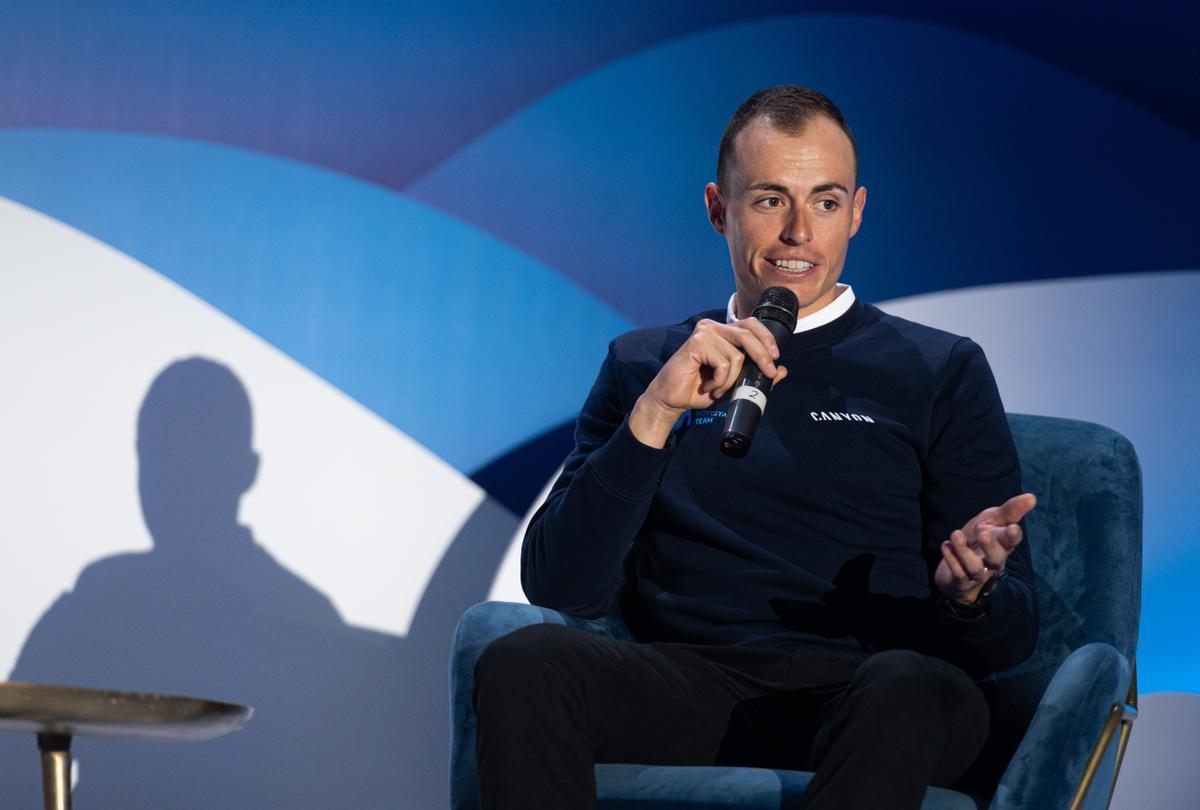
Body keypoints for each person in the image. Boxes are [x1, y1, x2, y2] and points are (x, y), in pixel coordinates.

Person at [473, 85, 1038, 810]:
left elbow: (1015, 633)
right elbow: (560, 585)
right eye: (771, 200)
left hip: (877, 690)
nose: (801, 232)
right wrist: (654, 415)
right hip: (693, 683)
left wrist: (973, 594)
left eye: (826, 202)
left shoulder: (938, 367)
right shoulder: (647, 364)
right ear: (719, 209)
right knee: (525, 662)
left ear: (856, 213)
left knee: (904, 689)